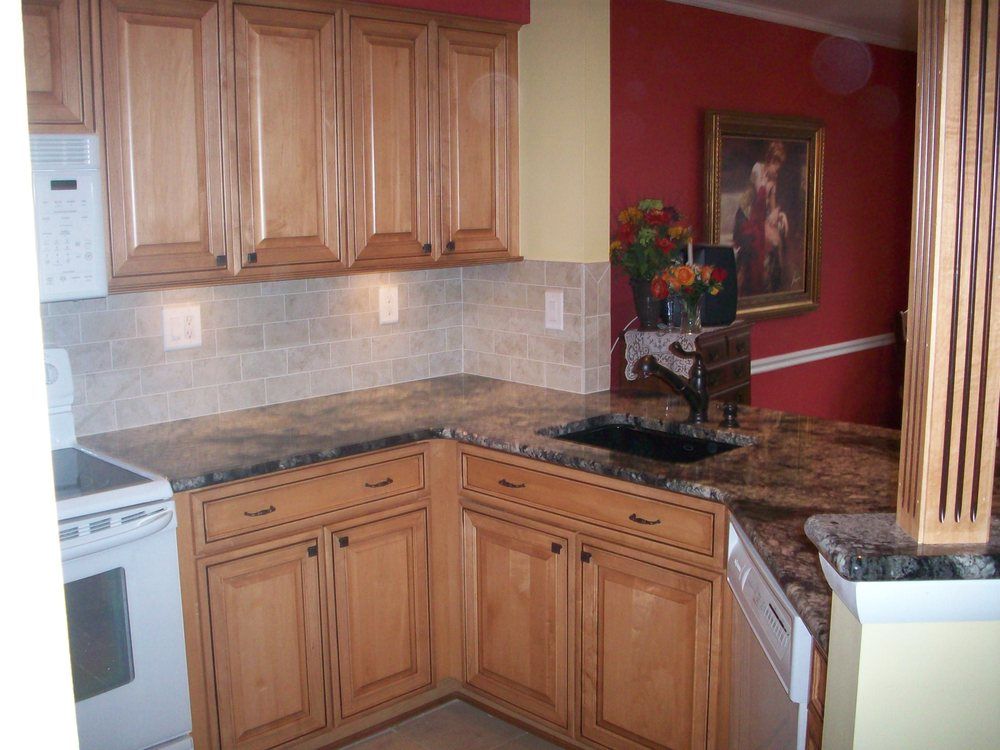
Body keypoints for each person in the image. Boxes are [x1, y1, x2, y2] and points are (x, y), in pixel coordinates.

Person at [733, 141, 788, 296]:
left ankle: (773, 285)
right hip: (746, 218)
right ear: (770, 160)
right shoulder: (758, 168)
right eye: (776, 163)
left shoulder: (773, 178)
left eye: (779, 164)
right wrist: (769, 183)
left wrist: (778, 213)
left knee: (777, 240)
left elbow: (771, 207)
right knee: (758, 243)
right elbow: (759, 197)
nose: (777, 168)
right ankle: (749, 282)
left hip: (759, 218)